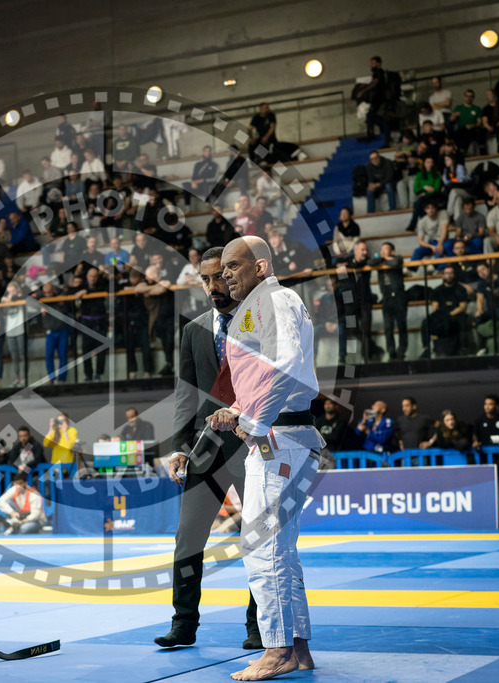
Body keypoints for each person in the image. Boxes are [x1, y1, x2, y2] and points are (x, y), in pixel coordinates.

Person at [207, 236, 322, 680]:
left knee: (261, 546)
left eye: (235, 266)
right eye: (223, 268)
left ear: (260, 266)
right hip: (282, 436)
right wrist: (236, 410)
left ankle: (275, 649)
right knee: (281, 551)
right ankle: (298, 647)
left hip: (281, 439)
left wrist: (254, 420)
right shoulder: (255, 308)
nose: (227, 274)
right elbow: (267, 377)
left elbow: (290, 362)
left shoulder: (273, 298)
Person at [158, 245, 259, 650]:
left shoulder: (256, 323)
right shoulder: (194, 329)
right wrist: (178, 447)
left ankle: (259, 627)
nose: (214, 285)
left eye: (220, 276)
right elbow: (186, 396)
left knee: (257, 537)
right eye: (206, 279)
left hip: (249, 443)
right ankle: (183, 625)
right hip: (204, 445)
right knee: (187, 538)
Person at [371, 242, 407, 360]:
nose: (382, 251)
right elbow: (370, 262)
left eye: (386, 249)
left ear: (392, 251)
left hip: (399, 296)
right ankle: (391, 352)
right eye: (382, 249)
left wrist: (384, 260)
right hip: (386, 297)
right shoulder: (379, 260)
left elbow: (395, 263)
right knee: (388, 327)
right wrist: (380, 258)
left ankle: (402, 350)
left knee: (401, 325)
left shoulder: (398, 258)